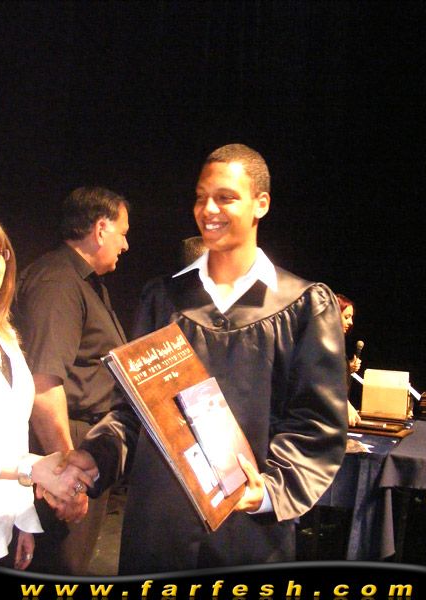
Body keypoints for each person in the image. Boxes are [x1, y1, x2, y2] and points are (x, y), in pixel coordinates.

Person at [70, 143, 348, 574]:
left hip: (251, 534)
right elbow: (134, 411)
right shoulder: (164, 298)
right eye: (201, 197)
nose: (208, 209)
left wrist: (268, 491)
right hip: (158, 531)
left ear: (261, 204)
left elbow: (317, 424)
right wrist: (96, 456)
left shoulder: (302, 306)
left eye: (225, 197)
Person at [14, 187, 130, 575]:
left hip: (84, 444)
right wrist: (69, 476)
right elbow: (44, 386)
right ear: (100, 229)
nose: (125, 244)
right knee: (59, 569)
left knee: (72, 566)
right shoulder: (58, 281)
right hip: (64, 443)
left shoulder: (85, 283)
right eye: (122, 233)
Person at [0, 213, 97, 570]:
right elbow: (23, 461)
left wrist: (23, 521)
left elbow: (12, 434)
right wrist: (33, 468)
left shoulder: (3, 334)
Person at [335, 293, 362, 427]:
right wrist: (344, 403)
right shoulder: (320, 344)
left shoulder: (336, 343)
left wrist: (348, 368)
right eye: (346, 317)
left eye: (351, 317)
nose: (351, 322)